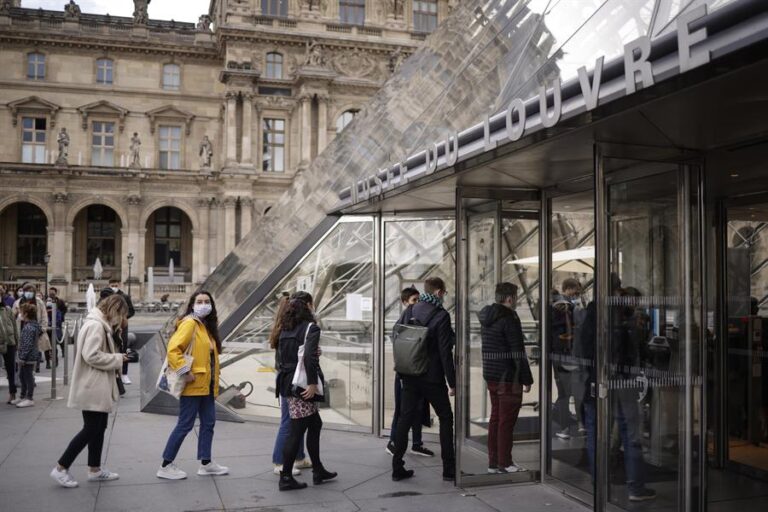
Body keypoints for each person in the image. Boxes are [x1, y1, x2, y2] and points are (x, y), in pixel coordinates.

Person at [50, 294, 129, 488]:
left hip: (96, 384)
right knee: (90, 429)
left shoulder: (98, 322)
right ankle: (61, 467)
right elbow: (91, 355)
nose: (121, 319)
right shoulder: (96, 325)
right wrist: (118, 359)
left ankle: (94, 469)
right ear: (114, 310)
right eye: (121, 314)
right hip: (93, 384)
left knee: (98, 428)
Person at [157, 291, 229, 480]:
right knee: (185, 425)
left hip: (207, 385)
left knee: (209, 423)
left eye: (207, 301)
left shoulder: (205, 326)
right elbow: (173, 350)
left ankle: (206, 463)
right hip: (194, 383)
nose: (203, 304)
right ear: (192, 305)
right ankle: (165, 464)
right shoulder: (190, 323)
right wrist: (183, 371)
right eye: (199, 301)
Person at [391, 277, 456, 482]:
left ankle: (397, 467)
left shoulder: (411, 309)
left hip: (410, 374)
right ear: (438, 293)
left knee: (405, 418)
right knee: (446, 418)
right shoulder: (441, 315)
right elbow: (446, 352)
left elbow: (396, 335)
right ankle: (448, 469)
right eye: (444, 293)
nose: (444, 297)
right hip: (432, 377)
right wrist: (452, 382)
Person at [275, 292, 337, 491]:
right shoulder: (311, 328)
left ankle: (318, 469)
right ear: (308, 305)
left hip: (287, 382)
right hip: (301, 384)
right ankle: (285, 476)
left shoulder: (285, 328)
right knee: (296, 430)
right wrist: (311, 384)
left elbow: (288, 356)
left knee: (314, 423)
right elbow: (309, 357)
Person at [479, 282, 533, 473]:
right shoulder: (509, 318)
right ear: (510, 298)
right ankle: (505, 462)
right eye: (516, 297)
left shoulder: (488, 317)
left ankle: (493, 462)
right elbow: (517, 350)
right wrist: (527, 378)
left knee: (496, 419)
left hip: (492, 375)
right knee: (506, 421)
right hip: (508, 376)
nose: (517, 301)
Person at [386, 286, 434, 457]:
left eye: (418, 300)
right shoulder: (406, 320)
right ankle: (393, 441)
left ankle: (415, 443)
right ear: (405, 302)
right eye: (413, 300)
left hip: (414, 372)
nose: (416, 304)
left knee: (417, 409)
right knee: (403, 409)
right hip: (407, 373)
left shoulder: (408, 320)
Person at [270, 292, 311, 476]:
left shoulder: (283, 325)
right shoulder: (293, 328)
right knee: (288, 421)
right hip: (291, 378)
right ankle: (279, 461)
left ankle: (299, 457)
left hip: (285, 376)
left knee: (297, 419)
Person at [550, 278, 582, 440]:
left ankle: (565, 425)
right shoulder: (565, 307)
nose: (578, 294)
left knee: (565, 391)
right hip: (566, 354)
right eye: (576, 290)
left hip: (560, 354)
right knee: (567, 391)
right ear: (568, 289)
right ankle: (569, 425)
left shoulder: (559, 307)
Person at [100, 279, 135, 384]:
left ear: (119, 285)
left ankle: (124, 374)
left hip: (122, 326)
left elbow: (132, 311)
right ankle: (113, 373)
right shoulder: (106, 295)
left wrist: (121, 317)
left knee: (123, 348)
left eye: (116, 285)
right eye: (112, 285)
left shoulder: (125, 297)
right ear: (109, 285)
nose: (114, 286)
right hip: (109, 325)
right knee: (110, 349)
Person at [13, 283, 51, 372]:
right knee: (22, 350)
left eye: (31, 291)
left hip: (36, 330)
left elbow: (44, 317)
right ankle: (23, 370)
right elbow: (12, 316)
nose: (29, 293)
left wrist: (42, 329)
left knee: (35, 350)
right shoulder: (18, 302)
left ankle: (34, 369)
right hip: (21, 329)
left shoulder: (39, 302)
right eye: (27, 291)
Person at [15, 303, 41, 408]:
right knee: (23, 375)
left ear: (26, 314)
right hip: (29, 355)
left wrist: (22, 357)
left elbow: (27, 344)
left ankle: (29, 398)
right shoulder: (31, 325)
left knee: (28, 376)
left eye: (21, 312)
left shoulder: (29, 327)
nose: (20, 314)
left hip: (28, 356)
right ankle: (23, 396)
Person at [0, 297, 19, 404]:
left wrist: (17, 341)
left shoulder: (7, 309)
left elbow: (15, 327)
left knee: (11, 369)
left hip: (9, 342)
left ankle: (13, 393)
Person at [47, 287, 68, 363]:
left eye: (52, 292)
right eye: (50, 292)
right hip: (48, 322)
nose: (51, 293)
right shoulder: (46, 301)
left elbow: (64, 309)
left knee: (60, 337)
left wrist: (60, 315)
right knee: (51, 340)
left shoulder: (60, 301)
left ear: (56, 293)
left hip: (58, 322)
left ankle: (63, 351)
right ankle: (52, 355)